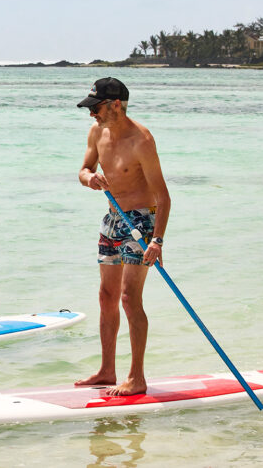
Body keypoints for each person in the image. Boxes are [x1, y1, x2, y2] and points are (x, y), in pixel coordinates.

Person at [74, 77, 171, 396]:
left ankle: (137, 377)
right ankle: (106, 370)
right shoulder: (95, 133)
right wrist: (89, 179)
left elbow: (163, 196)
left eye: (97, 108)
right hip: (112, 220)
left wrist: (157, 241)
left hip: (142, 222)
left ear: (116, 104)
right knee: (106, 296)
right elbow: (84, 169)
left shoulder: (141, 140)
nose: (93, 115)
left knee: (130, 298)